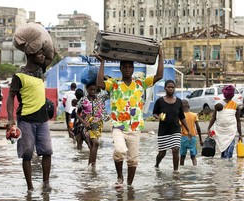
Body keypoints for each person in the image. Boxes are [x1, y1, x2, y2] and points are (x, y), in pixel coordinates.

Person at [95, 47, 164, 188]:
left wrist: (160, 56)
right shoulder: (114, 84)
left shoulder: (140, 83)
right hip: (118, 126)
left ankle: (129, 185)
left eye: (130, 67)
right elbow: (99, 84)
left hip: (135, 127)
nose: (127, 69)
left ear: (133, 69)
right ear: (120, 69)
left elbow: (159, 76)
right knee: (119, 151)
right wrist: (102, 63)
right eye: (125, 67)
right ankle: (120, 177)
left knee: (133, 160)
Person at [6, 49, 53, 192]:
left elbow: (51, 54)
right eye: (39, 54)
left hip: (43, 119)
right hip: (25, 119)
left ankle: (46, 184)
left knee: (47, 151)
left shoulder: (40, 70)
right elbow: (10, 97)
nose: (42, 56)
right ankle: (30, 188)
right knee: (27, 154)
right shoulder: (19, 75)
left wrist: (41, 44)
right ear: (29, 55)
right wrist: (10, 119)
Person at [153, 80, 191, 171]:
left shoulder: (178, 101)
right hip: (163, 131)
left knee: (176, 149)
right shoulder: (160, 101)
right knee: (162, 153)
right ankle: (157, 164)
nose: (171, 89)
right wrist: (158, 116)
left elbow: (182, 117)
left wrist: (188, 130)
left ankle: (175, 171)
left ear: (175, 88)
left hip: (176, 130)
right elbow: (154, 113)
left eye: (172, 87)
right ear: (165, 88)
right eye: (169, 87)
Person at [76, 82, 110, 167]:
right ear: (87, 90)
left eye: (94, 90)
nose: (92, 91)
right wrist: (83, 122)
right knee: (95, 143)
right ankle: (92, 166)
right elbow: (77, 113)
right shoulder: (83, 100)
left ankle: (91, 166)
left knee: (92, 145)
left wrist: (105, 82)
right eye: (90, 89)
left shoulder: (100, 98)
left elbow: (110, 93)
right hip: (87, 125)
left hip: (98, 126)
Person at [207, 85, 242, 158]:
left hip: (220, 131)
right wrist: (240, 135)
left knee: (223, 151)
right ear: (233, 95)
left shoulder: (218, 105)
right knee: (229, 154)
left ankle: (223, 166)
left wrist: (209, 128)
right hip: (231, 132)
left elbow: (214, 117)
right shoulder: (235, 106)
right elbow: (238, 121)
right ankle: (228, 167)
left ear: (224, 94)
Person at [180, 99, 203, 166]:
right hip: (192, 138)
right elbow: (198, 128)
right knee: (193, 156)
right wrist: (201, 139)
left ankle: (180, 169)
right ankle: (195, 167)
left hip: (183, 138)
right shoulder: (194, 115)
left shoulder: (180, 116)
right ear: (188, 105)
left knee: (182, 156)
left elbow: (179, 129)